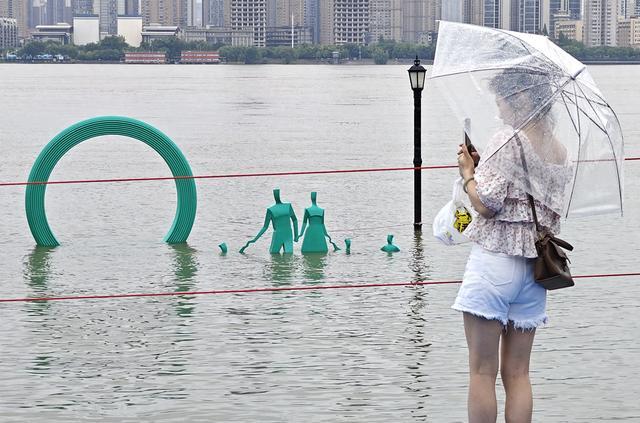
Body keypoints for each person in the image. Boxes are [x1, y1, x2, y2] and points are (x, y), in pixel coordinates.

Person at [453, 70, 570, 423]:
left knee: (481, 373)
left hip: (495, 265)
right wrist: (483, 162)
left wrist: (468, 173)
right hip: (535, 271)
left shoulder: (507, 139)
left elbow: (487, 203)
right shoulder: (558, 149)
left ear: (520, 99)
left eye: (502, 101)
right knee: (518, 375)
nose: (499, 110)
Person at [239, 188, 299, 254]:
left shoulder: (274, 209)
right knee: (285, 255)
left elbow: (294, 220)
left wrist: (296, 235)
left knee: (275, 256)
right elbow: (295, 220)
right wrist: (296, 236)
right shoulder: (282, 208)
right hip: (285, 234)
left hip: (283, 235)